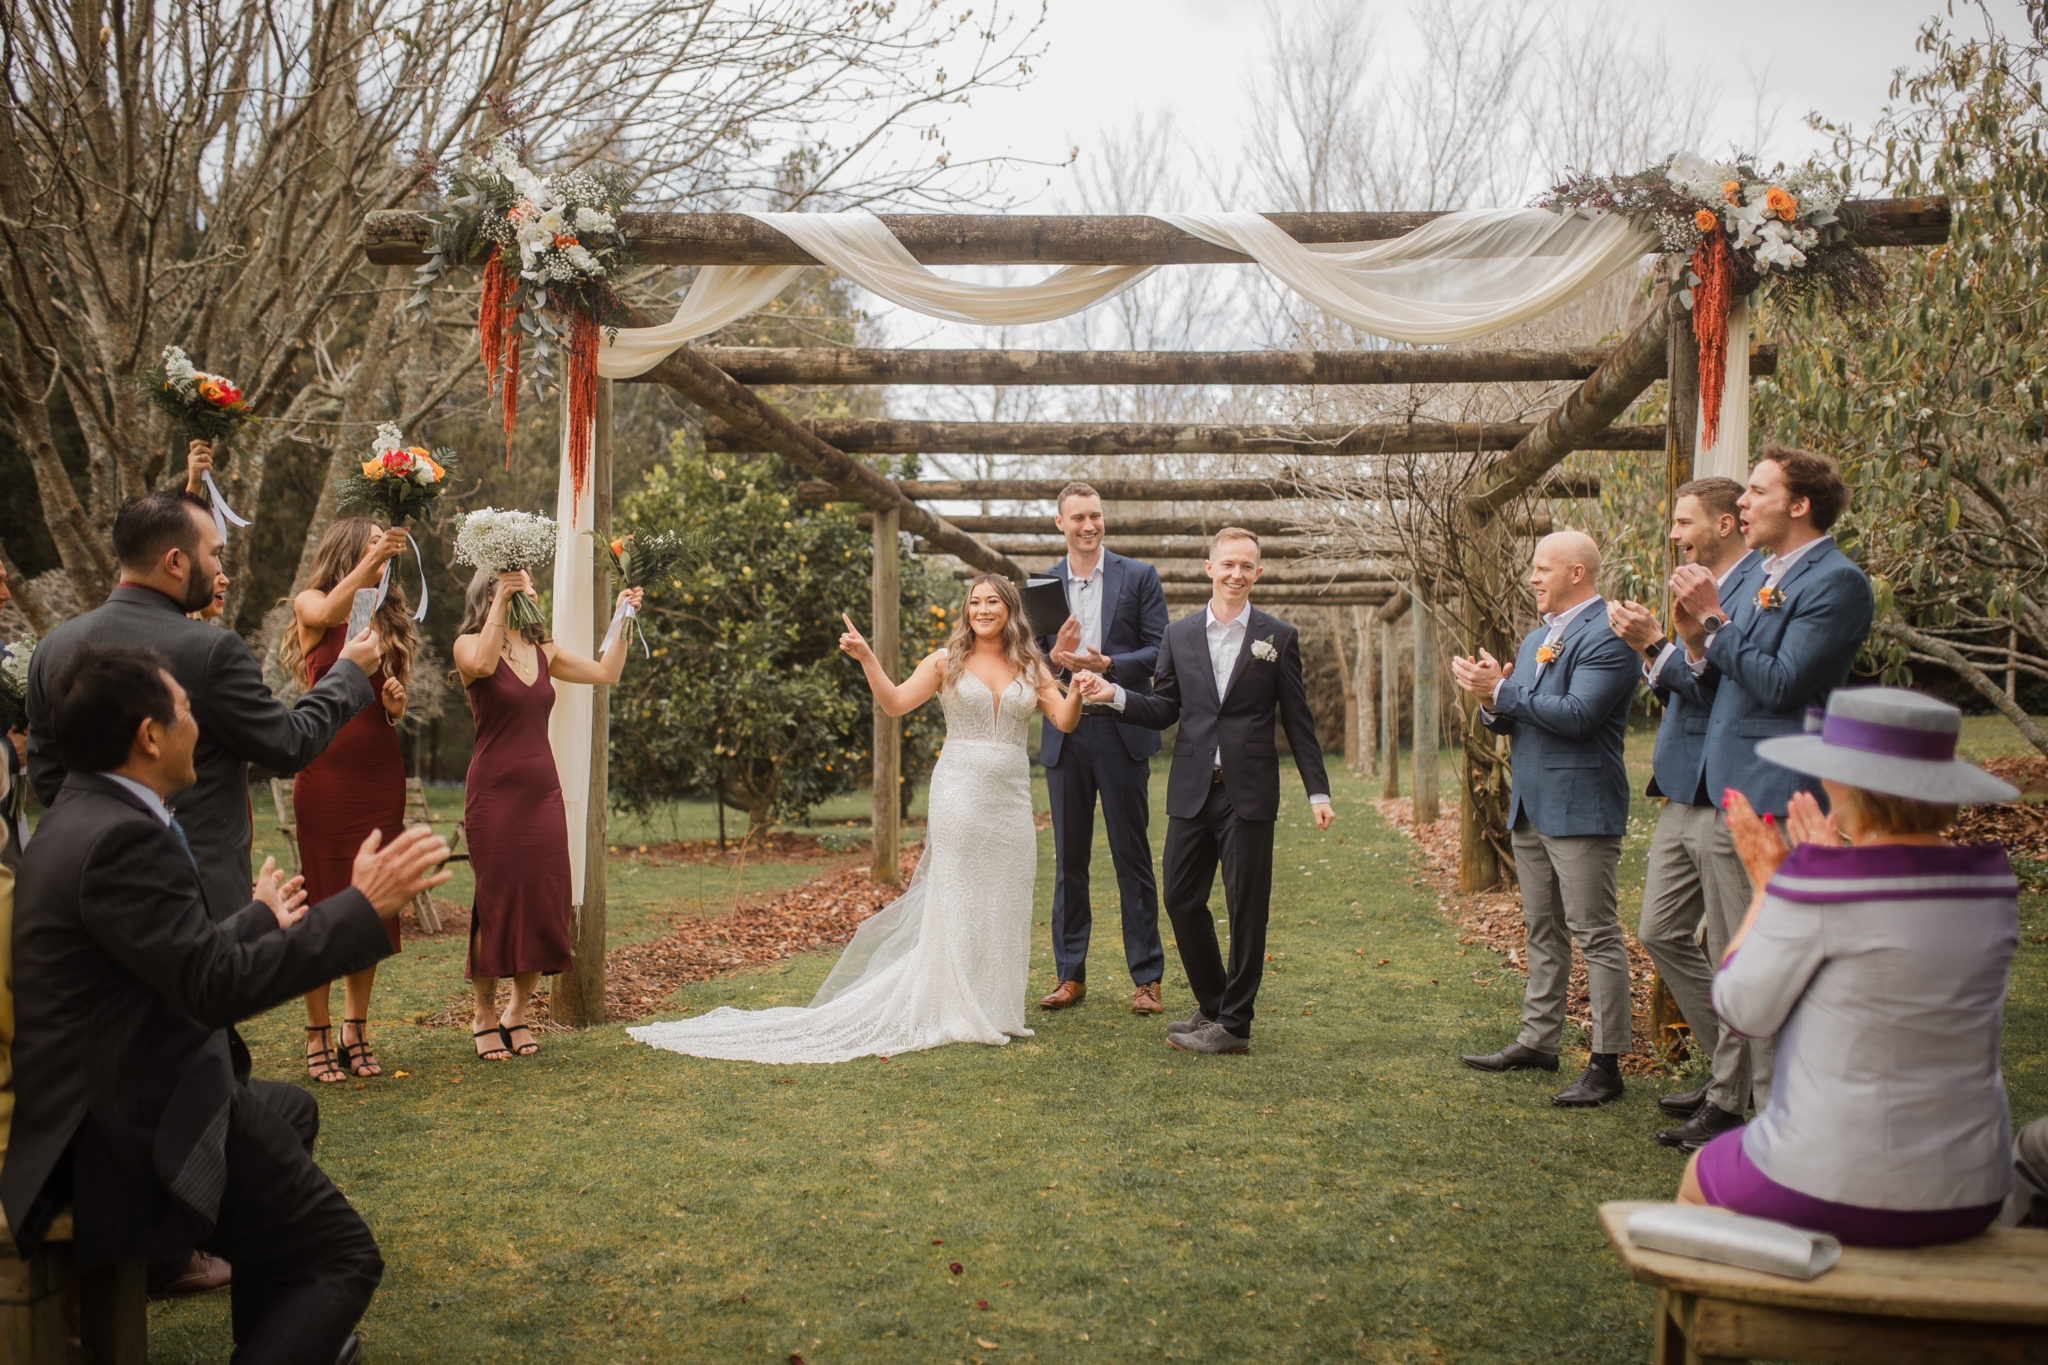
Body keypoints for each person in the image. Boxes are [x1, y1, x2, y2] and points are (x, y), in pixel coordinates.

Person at [3, 644, 451, 1365]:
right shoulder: (122, 836)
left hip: (117, 1092)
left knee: (294, 1110)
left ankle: (278, 1337)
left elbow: (163, 962)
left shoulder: (85, 812)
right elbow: (213, 988)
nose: (198, 723)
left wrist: (255, 919)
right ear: (150, 736)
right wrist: (359, 909)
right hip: (122, 1136)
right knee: (340, 1256)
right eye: (186, 709)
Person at [629, 575, 1085, 1063]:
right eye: (974, 602)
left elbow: (1064, 719)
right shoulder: (944, 661)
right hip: (960, 794)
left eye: (992, 601)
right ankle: (954, 1004)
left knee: (1004, 897)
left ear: (1010, 608)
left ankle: (997, 1010)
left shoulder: (1030, 664)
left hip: (1011, 799)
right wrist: (868, 658)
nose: (982, 609)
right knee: (960, 896)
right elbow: (893, 704)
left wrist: (1076, 680)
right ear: (965, 611)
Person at [1680, 687, 2020, 1247]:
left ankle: (1742, 1326)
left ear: (1849, 784)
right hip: (1972, 1189)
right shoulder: (1992, 884)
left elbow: (1743, 1011)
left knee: (1699, 1178)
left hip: (1831, 1180)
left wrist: (1770, 887)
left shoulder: (1822, 884)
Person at [25, 472, 382, 921]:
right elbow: (288, 743)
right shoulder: (211, 650)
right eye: (214, 554)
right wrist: (348, 672)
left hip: (84, 889)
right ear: (176, 562)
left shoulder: (53, 646)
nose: (219, 569)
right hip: (195, 894)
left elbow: (46, 770)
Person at [1667, 443, 1874, 1117]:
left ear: (1801, 504)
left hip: (1780, 787)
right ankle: (1735, 1098)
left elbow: (1784, 682)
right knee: (1737, 955)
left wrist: (1716, 620)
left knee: (1763, 956)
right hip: (1735, 786)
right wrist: (1694, 640)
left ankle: (1766, 1112)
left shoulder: (1837, 582)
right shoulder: (1767, 575)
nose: (1743, 503)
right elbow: (1728, 672)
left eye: (1756, 491)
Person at [1077, 528, 1333, 1056]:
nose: (1236, 574)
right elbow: (1166, 706)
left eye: (1247, 566)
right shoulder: (1179, 635)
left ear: (1258, 573)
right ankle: (1216, 1000)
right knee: (1179, 896)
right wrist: (1115, 695)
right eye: (1227, 564)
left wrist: (1318, 792)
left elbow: (1299, 721)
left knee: (1246, 907)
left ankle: (1234, 1025)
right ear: (1209, 568)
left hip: (1251, 791)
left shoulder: (1277, 636)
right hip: (1193, 789)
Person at [1452, 531, 1638, 1106]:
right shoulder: (1538, 636)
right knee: (1542, 928)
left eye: (1541, 568)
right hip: (1531, 806)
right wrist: (1489, 698)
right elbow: (1517, 717)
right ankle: (1539, 1040)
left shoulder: (1608, 633)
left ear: (1577, 573)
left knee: (1596, 933)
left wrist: (1502, 690)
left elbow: (1579, 716)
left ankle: (1606, 1064)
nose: (1532, 577)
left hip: (1581, 806)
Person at [1608, 478, 1761, 1149]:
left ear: (1726, 523)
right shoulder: (1692, 588)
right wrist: (1654, 647)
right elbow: (1689, 690)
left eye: (1683, 520)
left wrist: (1656, 647)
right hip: (1681, 781)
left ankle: (1734, 1093)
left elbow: (1725, 689)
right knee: (1661, 928)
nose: (1673, 532)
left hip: (1730, 783)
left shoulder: (1757, 586)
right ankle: (1732, 1068)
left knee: (1736, 948)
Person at [452, 568, 642, 1061]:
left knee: (542, 897)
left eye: (530, 583)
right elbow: (484, 661)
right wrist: (501, 603)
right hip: (493, 795)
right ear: (492, 593)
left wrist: (623, 616)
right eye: (517, 582)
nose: (531, 588)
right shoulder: (469, 646)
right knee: (496, 901)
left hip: (542, 792)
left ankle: (517, 1012)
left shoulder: (546, 651)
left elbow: (608, 673)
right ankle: (482, 1014)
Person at [283, 519, 413, 1083]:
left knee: (374, 904)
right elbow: (331, 615)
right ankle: (315, 1030)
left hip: (380, 772)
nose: (381, 565)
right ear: (347, 554)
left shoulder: (385, 615)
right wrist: (370, 565)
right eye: (370, 554)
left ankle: (355, 1028)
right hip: (327, 772)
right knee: (325, 900)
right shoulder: (313, 602)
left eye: (384, 556)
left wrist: (394, 704)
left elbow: (387, 702)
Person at [1033, 482, 1170, 1015]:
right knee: (1069, 860)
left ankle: (1147, 979)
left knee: (1131, 857)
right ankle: (1070, 976)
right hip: (1065, 734)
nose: (1088, 526)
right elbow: (1032, 662)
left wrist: (1107, 665)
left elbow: (1160, 651)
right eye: (1077, 518)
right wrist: (1057, 659)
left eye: (1095, 516)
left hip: (1120, 727)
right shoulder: (1041, 585)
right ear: (1059, 524)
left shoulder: (1139, 576)